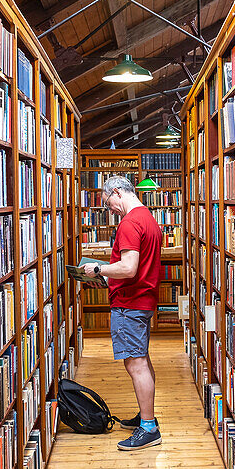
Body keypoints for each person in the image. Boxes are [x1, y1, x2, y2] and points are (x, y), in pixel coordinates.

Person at [80, 175, 164, 450]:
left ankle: (149, 428)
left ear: (116, 192)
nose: (110, 210)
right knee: (142, 359)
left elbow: (129, 268)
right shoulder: (148, 218)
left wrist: (98, 269)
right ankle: (145, 415)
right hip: (143, 299)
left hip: (130, 303)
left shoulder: (129, 223)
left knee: (135, 363)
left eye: (108, 204)